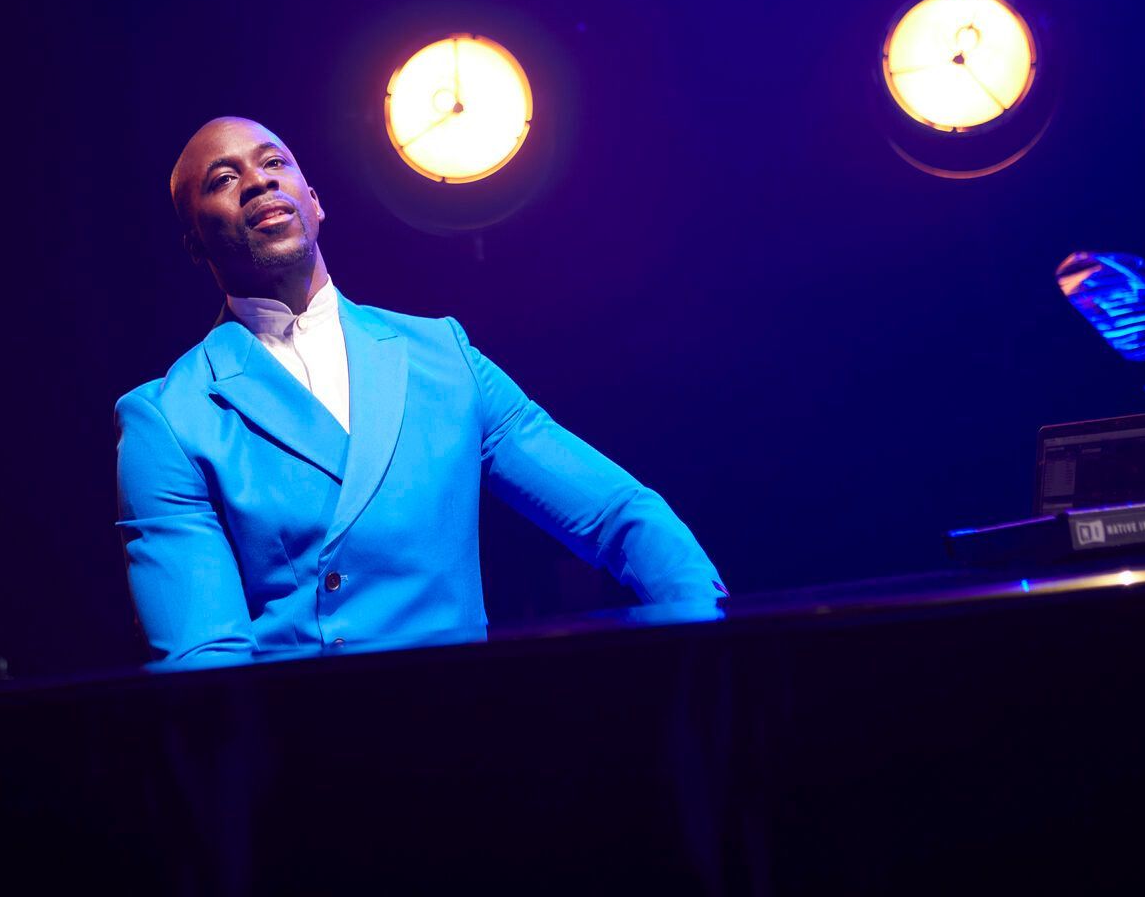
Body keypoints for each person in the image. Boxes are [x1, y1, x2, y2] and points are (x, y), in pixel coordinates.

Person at [115, 116, 724, 664]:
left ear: (315, 201)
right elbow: (205, 663)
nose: (258, 182)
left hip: (469, 740)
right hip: (310, 758)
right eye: (224, 179)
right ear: (195, 243)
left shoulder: (442, 355)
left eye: (275, 163)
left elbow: (620, 515)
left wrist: (710, 643)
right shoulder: (169, 416)